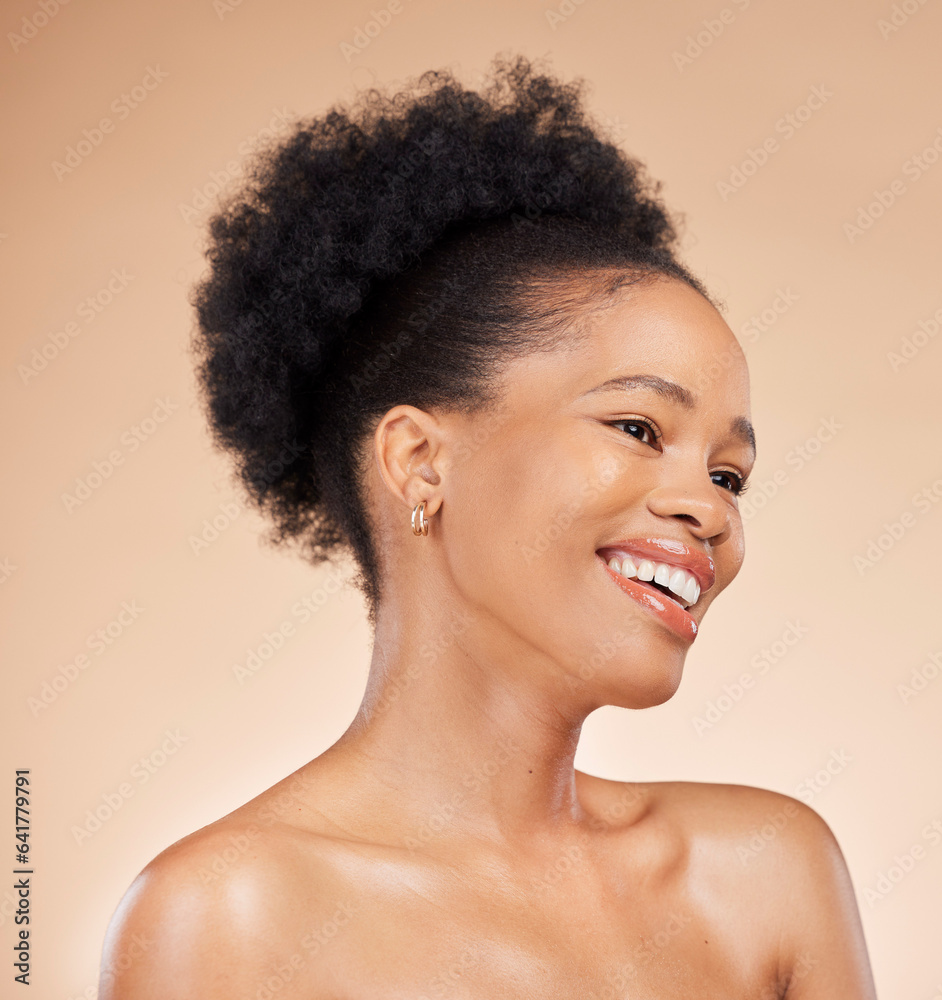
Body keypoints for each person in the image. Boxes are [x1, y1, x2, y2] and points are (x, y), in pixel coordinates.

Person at [99, 54, 877, 997]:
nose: (708, 508)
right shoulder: (229, 920)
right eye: (638, 428)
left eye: (729, 474)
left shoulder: (765, 877)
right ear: (421, 462)